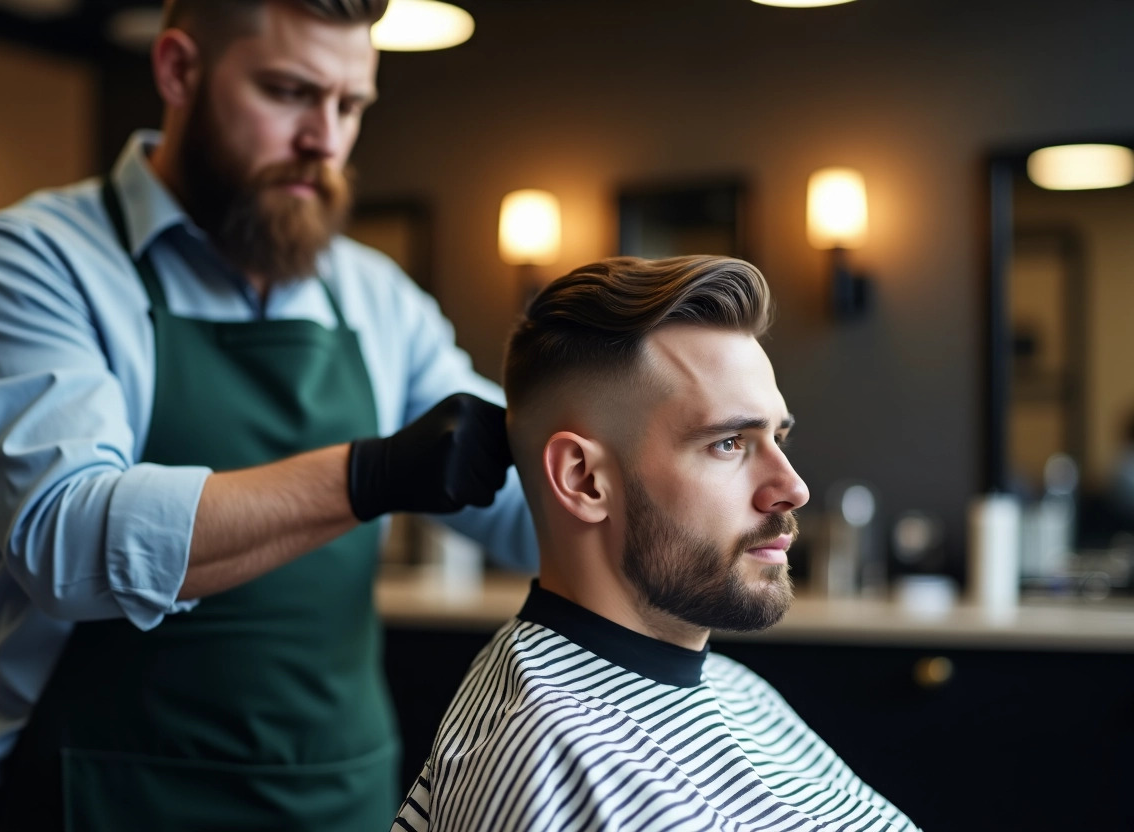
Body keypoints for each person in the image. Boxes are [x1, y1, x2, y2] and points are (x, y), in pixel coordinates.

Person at [0, 1, 536, 829]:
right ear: (179, 69)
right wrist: (367, 475)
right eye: (289, 92)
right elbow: (64, 542)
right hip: (110, 792)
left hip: (340, 793)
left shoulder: (373, 294)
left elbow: (518, 501)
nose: (324, 139)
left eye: (350, 105)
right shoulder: (34, 261)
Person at [392, 256, 919, 831]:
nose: (792, 488)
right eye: (727, 443)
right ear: (584, 480)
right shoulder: (552, 768)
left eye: (778, 436)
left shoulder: (735, 686)